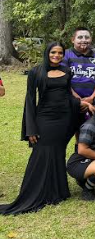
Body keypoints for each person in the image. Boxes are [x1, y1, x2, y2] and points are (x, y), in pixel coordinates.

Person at [0, 42, 80, 215]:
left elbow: (68, 94)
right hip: (45, 117)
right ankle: (33, 193)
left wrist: (82, 103)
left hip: (64, 118)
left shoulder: (67, 70)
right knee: (41, 153)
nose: (56, 55)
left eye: (60, 53)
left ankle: (58, 192)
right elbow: (30, 99)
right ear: (47, 53)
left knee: (58, 152)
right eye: (53, 52)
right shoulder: (36, 72)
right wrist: (31, 129)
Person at [62, 27, 95, 112]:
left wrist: (92, 98)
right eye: (80, 37)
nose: (84, 40)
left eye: (87, 37)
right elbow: (62, 80)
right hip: (70, 101)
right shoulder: (65, 55)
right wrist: (78, 100)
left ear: (91, 39)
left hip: (92, 102)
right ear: (73, 40)